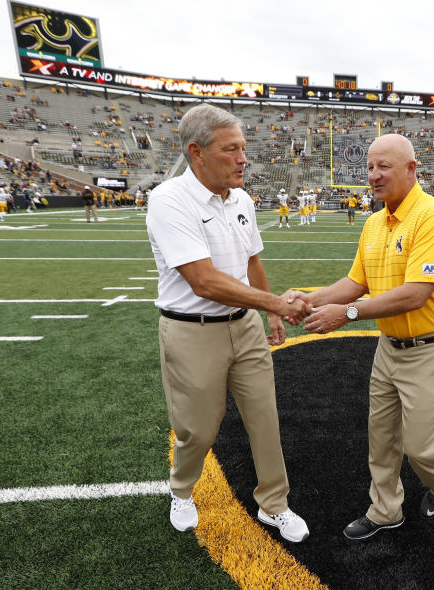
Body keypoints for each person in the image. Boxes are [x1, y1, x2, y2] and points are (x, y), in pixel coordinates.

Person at [145, 104, 311, 542]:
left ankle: (274, 504)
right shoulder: (168, 200)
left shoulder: (242, 199)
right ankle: (182, 490)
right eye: (231, 149)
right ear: (197, 152)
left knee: (264, 418)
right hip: (192, 329)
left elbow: (251, 260)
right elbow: (204, 281)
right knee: (198, 427)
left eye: (243, 149)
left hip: (246, 327)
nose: (243, 159)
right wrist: (277, 301)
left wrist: (270, 312)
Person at [301, 134, 434, 541]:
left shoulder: (433, 216)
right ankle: (385, 509)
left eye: (383, 167)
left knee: (424, 450)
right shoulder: (374, 222)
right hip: (388, 348)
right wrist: (307, 300)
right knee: (382, 439)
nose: (373, 176)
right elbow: (356, 282)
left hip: (432, 348)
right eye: (370, 167)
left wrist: (348, 314)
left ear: (411, 169)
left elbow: (417, 292)